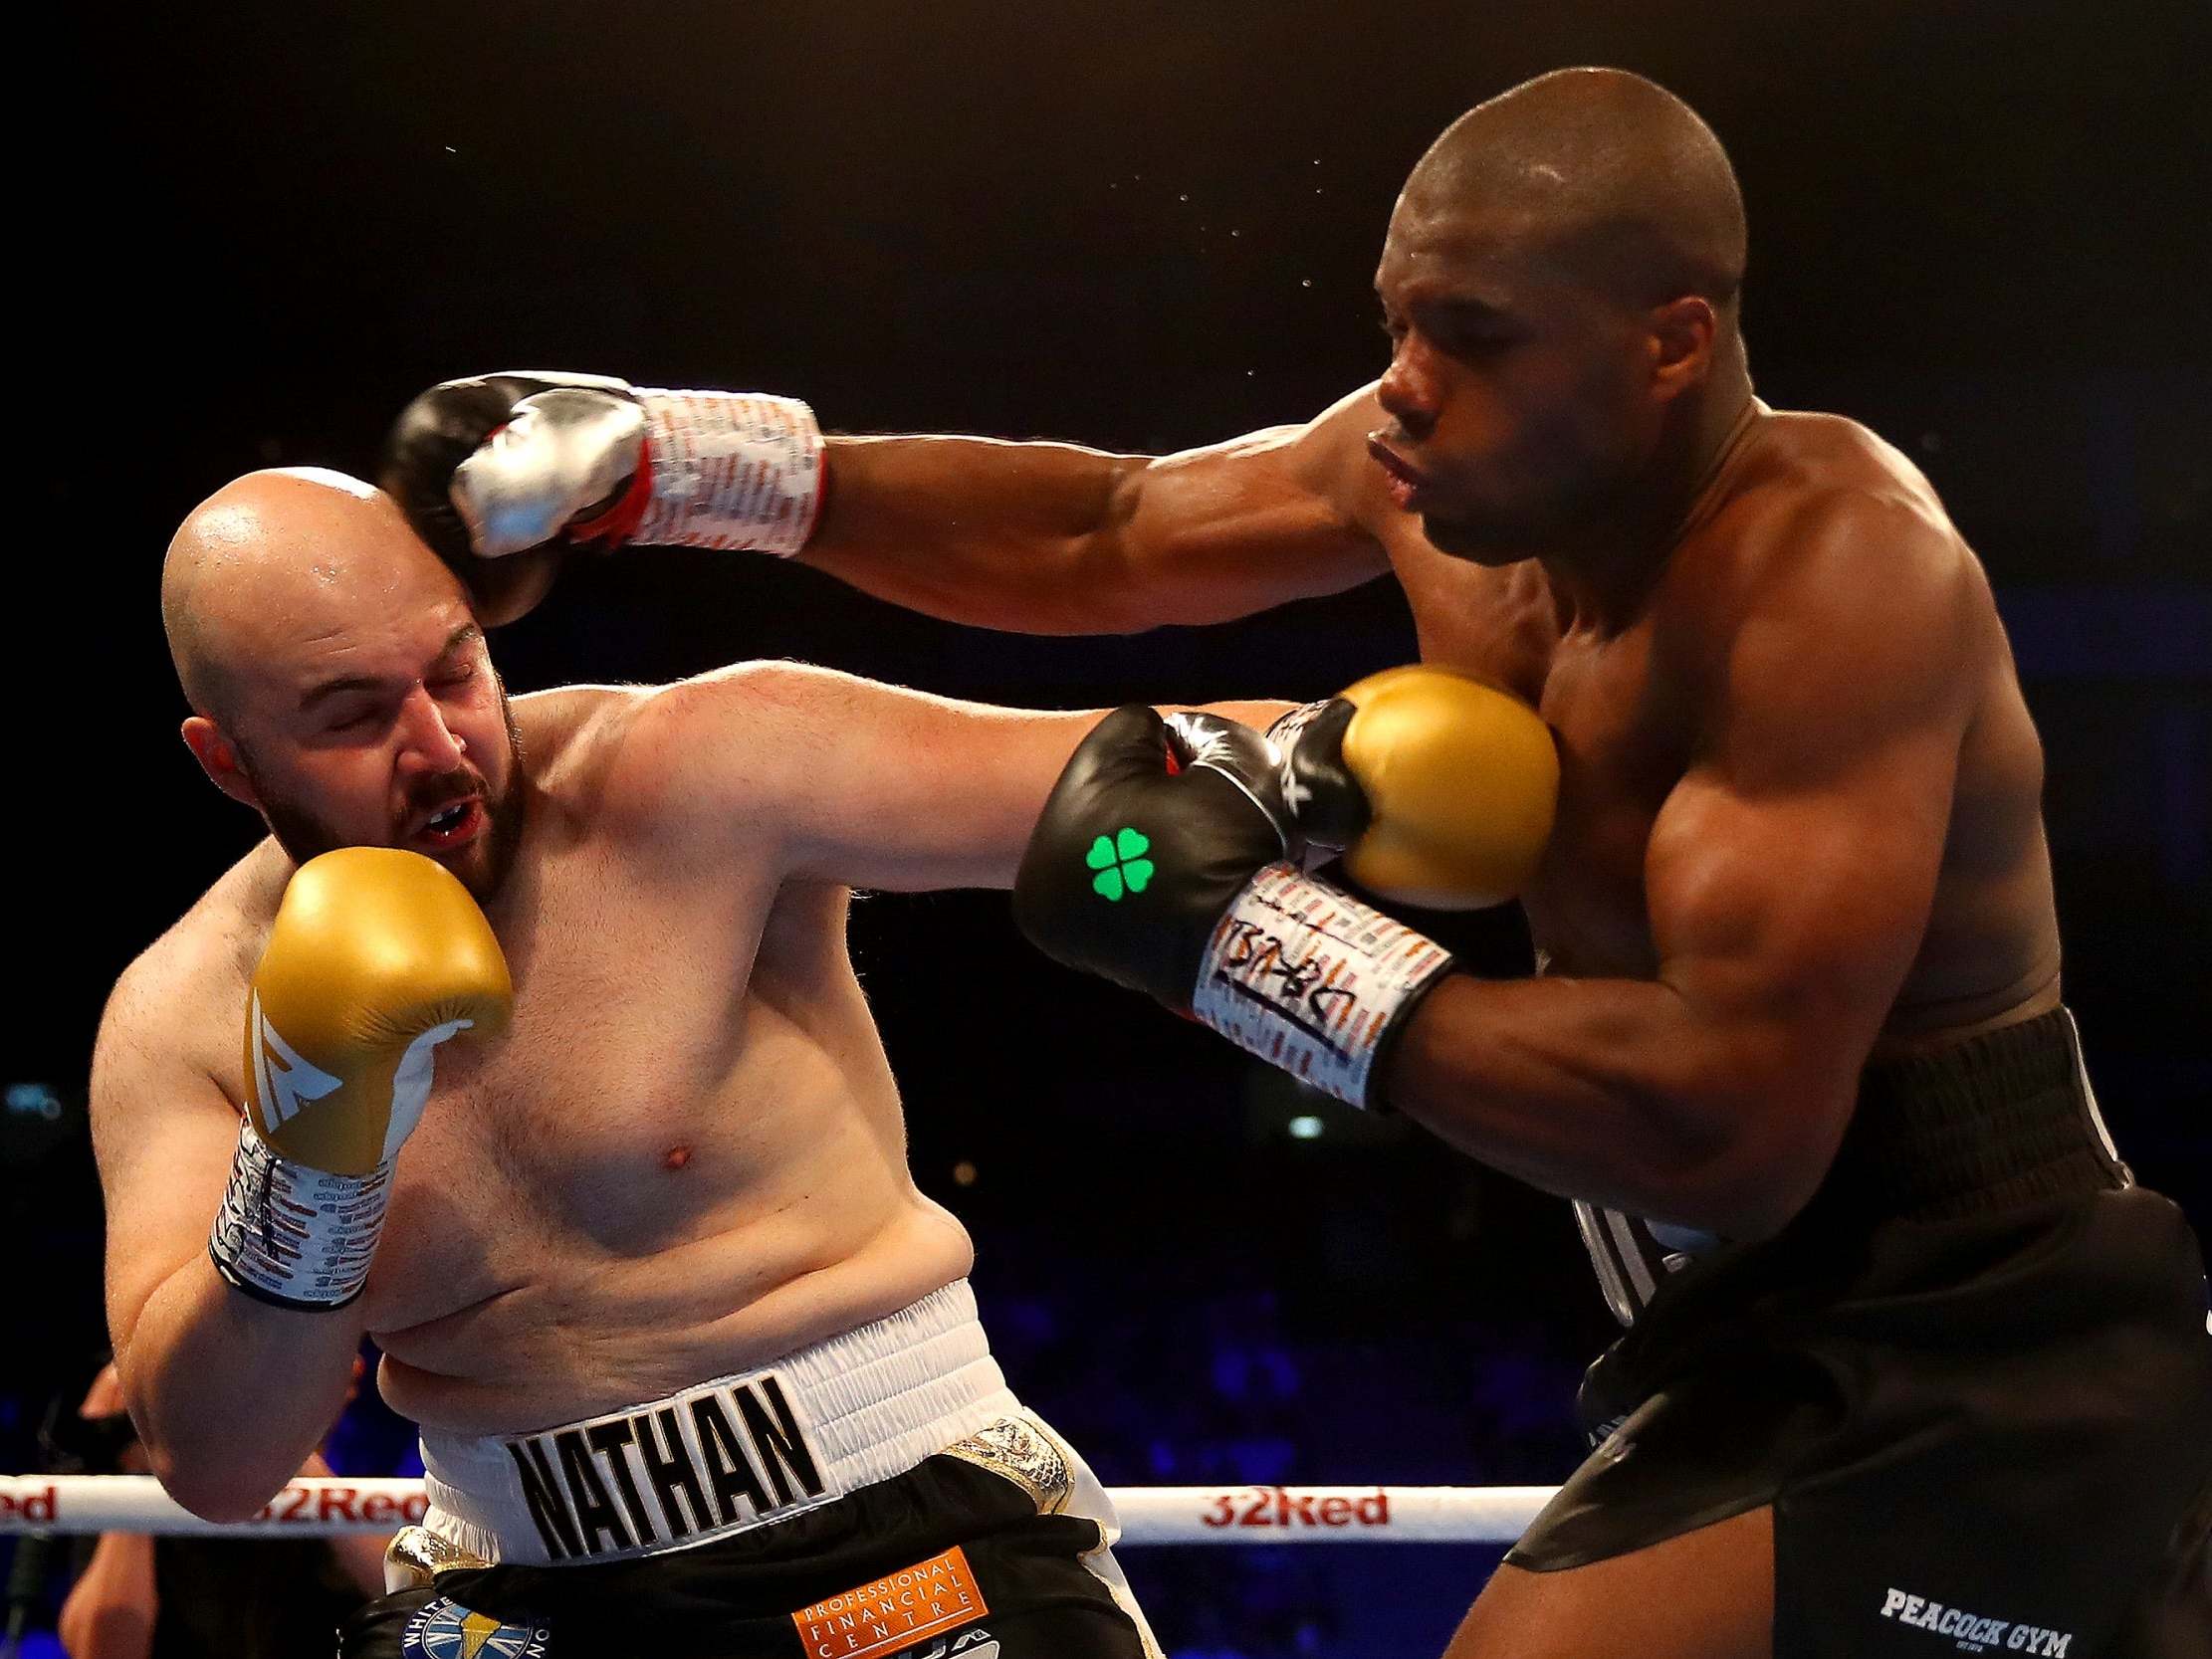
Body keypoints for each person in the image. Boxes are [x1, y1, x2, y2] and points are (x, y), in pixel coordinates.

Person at [379, 66, 2212, 1659]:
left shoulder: (1829, 579)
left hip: (1969, 1332)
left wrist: (1232, 937)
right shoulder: (1437, 483)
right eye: (1399, 322)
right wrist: (680, 465)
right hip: (1731, 1331)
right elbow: (1102, 531)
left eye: (1474, 337)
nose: (1402, 392)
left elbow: (1730, 1125)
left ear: (1672, 340)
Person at [98, 466, 1304, 1658]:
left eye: (455, 667)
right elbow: (217, 1459)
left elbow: (1139, 784)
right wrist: (309, 1147)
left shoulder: (696, 772)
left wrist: (1326, 802)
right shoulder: (182, 1015)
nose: (438, 744)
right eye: (352, 713)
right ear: (231, 761)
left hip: (900, 1517)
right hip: (511, 1588)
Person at [56, 1361, 384, 1659]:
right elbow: (101, 1652)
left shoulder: (369, 1462)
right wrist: (142, 1457)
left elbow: (419, 1607)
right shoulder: (118, 1474)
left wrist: (287, 1445)